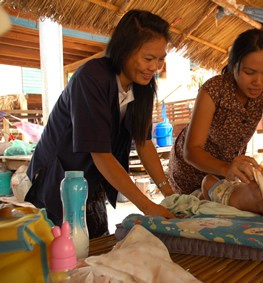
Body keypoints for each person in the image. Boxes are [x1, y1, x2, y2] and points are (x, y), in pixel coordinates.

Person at [25, 10, 175, 239]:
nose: (155, 66)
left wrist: (170, 194)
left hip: (92, 182)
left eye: (160, 58)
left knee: (95, 243)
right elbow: (101, 154)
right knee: (60, 248)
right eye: (148, 58)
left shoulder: (143, 87)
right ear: (124, 50)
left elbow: (144, 144)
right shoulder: (92, 78)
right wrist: (147, 206)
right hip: (58, 178)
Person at [168, 28, 263, 195]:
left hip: (228, 173)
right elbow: (192, 151)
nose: (258, 81)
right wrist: (226, 168)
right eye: (249, 72)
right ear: (234, 66)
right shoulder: (213, 90)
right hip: (190, 172)